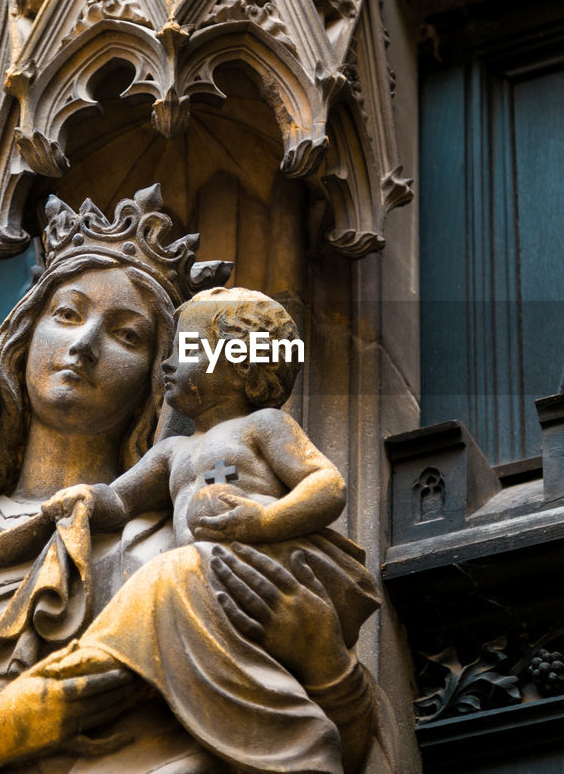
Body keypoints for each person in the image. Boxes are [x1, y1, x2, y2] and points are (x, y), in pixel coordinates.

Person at [0, 189, 396, 774]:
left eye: (127, 334)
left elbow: (345, 746)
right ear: (20, 339)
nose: (83, 345)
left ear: (160, 378)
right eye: (67, 314)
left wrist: (325, 666)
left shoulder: (195, 537)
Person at [34, 286, 378, 774]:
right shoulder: (173, 451)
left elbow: (326, 484)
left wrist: (264, 520)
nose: (168, 365)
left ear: (243, 365)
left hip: (261, 562)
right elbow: (122, 498)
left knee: (183, 584)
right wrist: (88, 498)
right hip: (203, 582)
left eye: (188, 350)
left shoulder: (264, 425)